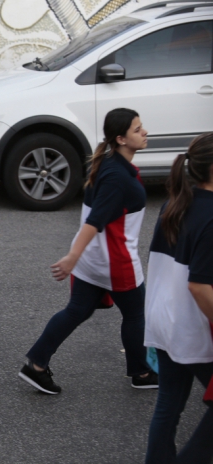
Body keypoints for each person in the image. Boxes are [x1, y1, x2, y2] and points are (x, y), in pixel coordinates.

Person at [19, 108, 158, 394]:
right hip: (114, 260)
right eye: (137, 129)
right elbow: (95, 222)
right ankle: (141, 373)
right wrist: (71, 258)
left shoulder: (109, 162)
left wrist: (76, 257)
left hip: (91, 260)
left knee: (77, 311)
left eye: (141, 127)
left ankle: (36, 366)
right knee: (135, 314)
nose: (144, 132)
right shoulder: (118, 178)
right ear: (120, 138)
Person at [144, 133, 213, 463]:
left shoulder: (175, 202)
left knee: (169, 405)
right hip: (192, 327)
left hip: (164, 319)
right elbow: (200, 287)